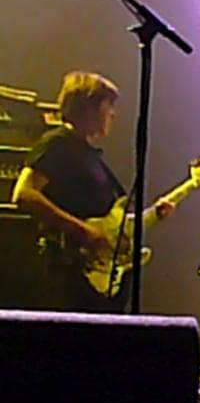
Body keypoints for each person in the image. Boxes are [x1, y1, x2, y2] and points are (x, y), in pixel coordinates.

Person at [11, 70, 173, 312]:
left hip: (97, 280)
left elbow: (106, 221)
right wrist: (82, 231)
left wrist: (153, 214)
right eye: (108, 106)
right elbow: (24, 194)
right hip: (70, 275)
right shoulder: (57, 143)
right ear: (88, 108)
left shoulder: (89, 154)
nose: (113, 114)